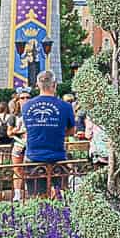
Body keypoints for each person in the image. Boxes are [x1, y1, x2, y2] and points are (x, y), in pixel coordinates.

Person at [19, 70, 75, 198]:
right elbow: (71, 131)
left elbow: (29, 129)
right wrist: (57, 132)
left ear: (38, 85)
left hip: (34, 157)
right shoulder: (66, 106)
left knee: (36, 200)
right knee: (60, 197)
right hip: (57, 157)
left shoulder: (26, 106)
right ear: (55, 85)